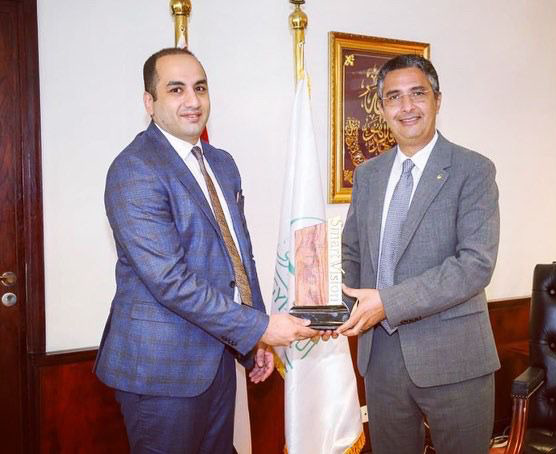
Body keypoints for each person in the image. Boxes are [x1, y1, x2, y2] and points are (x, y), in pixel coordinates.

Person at [94, 48, 317, 453]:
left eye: (200, 88)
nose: (192, 100)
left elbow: (238, 258)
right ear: (149, 102)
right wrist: (259, 327)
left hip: (216, 361)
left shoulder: (221, 163)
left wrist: (255, 340)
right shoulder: (135, 169)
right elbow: (170, 281)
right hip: (161, 374)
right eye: (176, 89)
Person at [337, 54, 500, 454]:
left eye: (417, 94)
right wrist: (331, 306)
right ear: (382, 108)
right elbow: (352, 252)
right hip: (381, 359)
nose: (406, 106)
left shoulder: (473, 170)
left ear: (437, 100)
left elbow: (475, 265)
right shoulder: (368, 175)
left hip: (454, 357)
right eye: (393, 97)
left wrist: (388, 303)